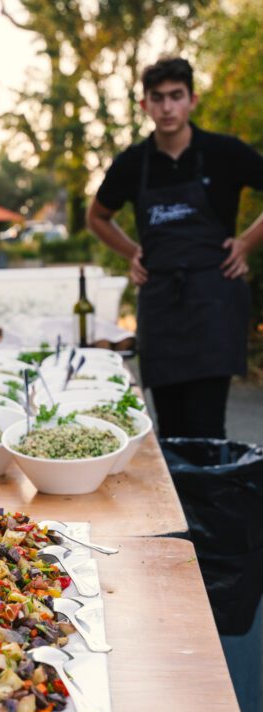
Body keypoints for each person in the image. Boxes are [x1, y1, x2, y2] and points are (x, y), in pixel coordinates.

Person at [87, 56, 263, 438]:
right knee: (169, 430)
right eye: (158, 97)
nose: (167, 107)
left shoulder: (224, 152)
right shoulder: (133, 163)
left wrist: (247, 243)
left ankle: (205, 499)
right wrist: (132, 251)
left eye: (176, 96)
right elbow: (97, 217)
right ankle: (175, 499)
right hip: (161, 306)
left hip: (214, 305)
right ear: (144, 105)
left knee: (207, 427)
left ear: (192, 100)